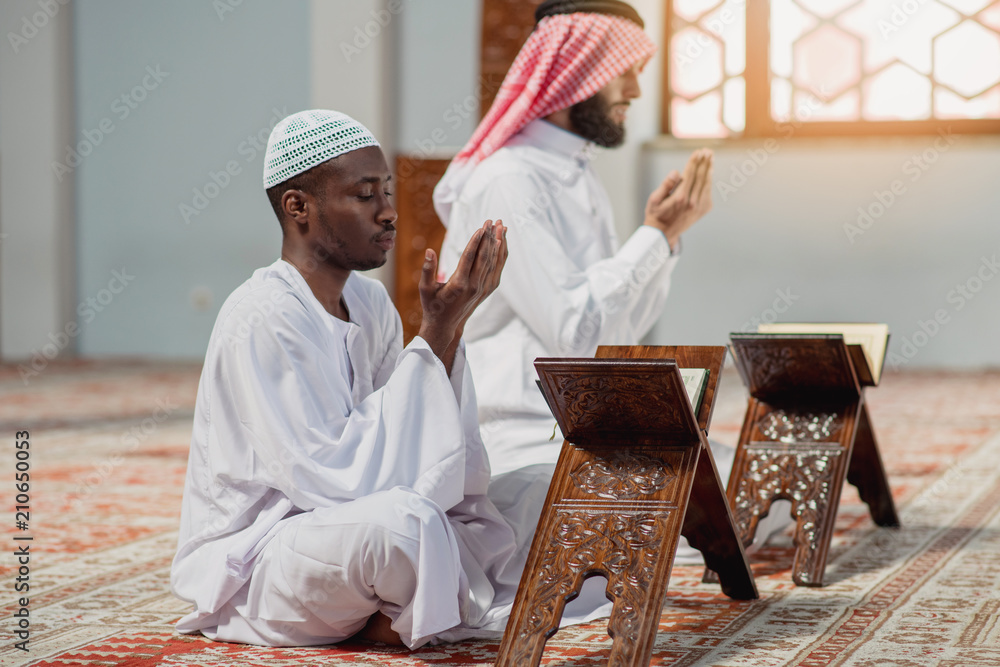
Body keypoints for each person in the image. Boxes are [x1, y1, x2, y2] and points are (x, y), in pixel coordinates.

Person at [434, 0, 788, 570]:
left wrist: (663, 240)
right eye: (624, 71)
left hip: (588, 426)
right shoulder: (510, 181)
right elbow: (575, 335)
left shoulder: (574, 170)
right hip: (529, 438)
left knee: (754, 485)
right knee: (690, 514)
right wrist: (651, 237)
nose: (635, 91)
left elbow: (617, 330)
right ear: (580, 76)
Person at [170, 109, 521, 649]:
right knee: (404, 528)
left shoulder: (368, 300)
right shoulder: (263, 313)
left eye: (386, 192)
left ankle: (393, 610)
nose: (388, 214)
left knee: (537, 490)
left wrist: (449, 330)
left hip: (342, 522)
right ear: (298, 207)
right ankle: (402, 607)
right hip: (267, 551)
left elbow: (410, 441)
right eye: (364, 195)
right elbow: (328, 474)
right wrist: (435, 332)